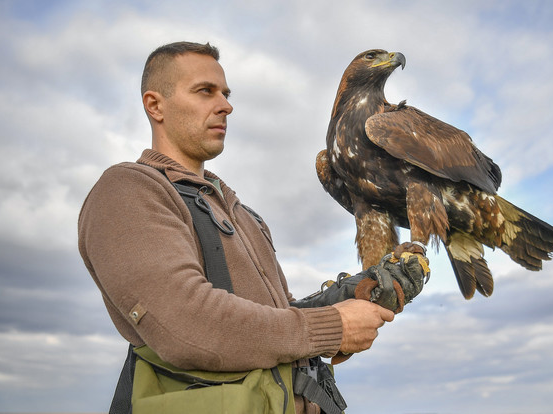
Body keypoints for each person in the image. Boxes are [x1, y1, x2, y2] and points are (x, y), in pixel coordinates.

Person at [78, 41, 428, 414]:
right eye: (204, 91)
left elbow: (274, 327)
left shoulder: (245, 216)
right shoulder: (129, 190)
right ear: (155, 105)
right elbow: (186, 325)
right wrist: (332, 325)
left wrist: (354, 297)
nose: (225, 105)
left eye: (226, 94)